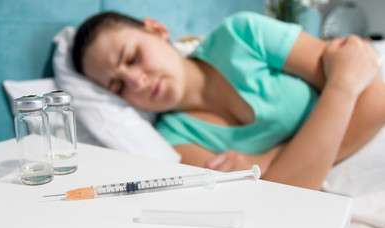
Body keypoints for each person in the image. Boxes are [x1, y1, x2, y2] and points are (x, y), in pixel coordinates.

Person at [72, 11, 385, 190]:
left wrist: (269, 161)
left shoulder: (242, 34)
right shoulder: (174, 141)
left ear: (156, 29)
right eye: (117, 86)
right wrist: (343, 86)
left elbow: (375, 96)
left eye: (133, 57)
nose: (136, 81)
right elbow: (281, 196)